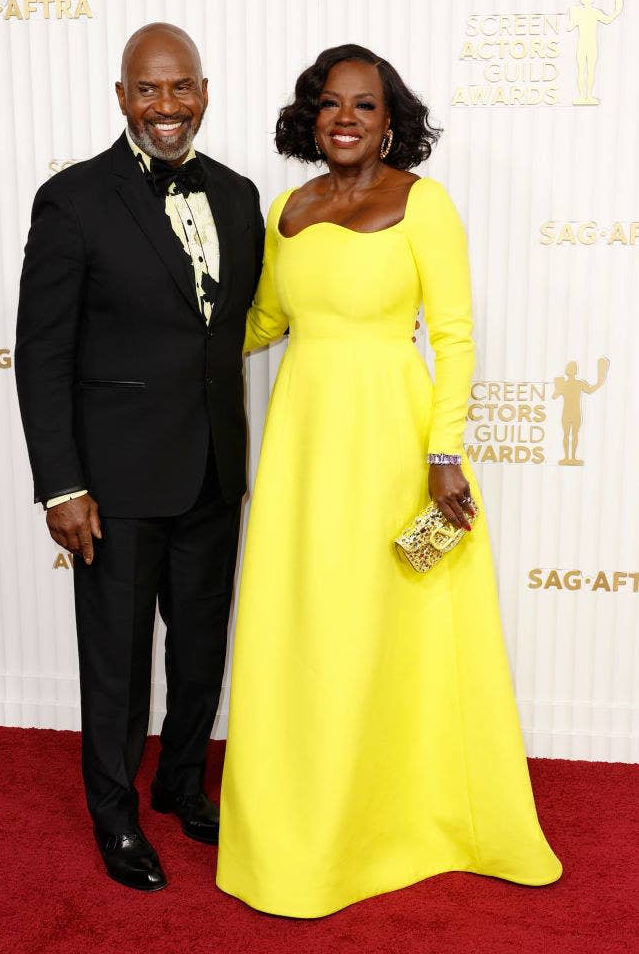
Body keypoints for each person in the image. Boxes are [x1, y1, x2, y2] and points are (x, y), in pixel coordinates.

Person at [217, 44, 562, 917]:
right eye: (330, 103)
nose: (345, 118)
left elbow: (452, 336)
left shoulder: (424, 204)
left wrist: (443, 455)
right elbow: (262, 320)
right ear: (310, 115)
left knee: (385, 627)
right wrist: (165, 341)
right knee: (311, 628)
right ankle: (306, 823)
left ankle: (407, 821)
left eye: (364, 106)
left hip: (391, 444)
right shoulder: (285, 209)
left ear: (389, 119)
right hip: (304, 446)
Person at [15, 23, 264, 891]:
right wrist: (63, 484)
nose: (168, 106)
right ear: (122, 97)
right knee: (116, 662)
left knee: (199, 650)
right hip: (112, 485)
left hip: (210, 475)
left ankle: (183, 788)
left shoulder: (236, 196)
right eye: (149, 90)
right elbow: (41, 352)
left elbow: (234, 331)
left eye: (182, 87)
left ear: (205, 91)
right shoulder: (75, 199)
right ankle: (114, 815)